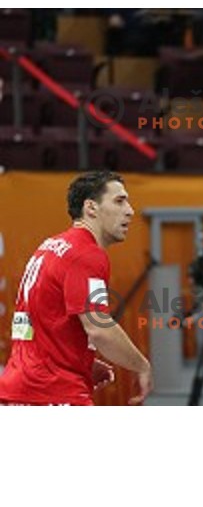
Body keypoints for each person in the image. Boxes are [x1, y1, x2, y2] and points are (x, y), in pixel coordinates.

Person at [0, 171, 153, 406]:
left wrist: (80, 358)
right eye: (119, 201)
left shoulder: (49, 247)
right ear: (91, 208)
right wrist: (141, 366)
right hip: (53, 393)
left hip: (19, 388)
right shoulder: (87, 255)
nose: (130, 211)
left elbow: (32, 324)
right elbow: (99, 327)